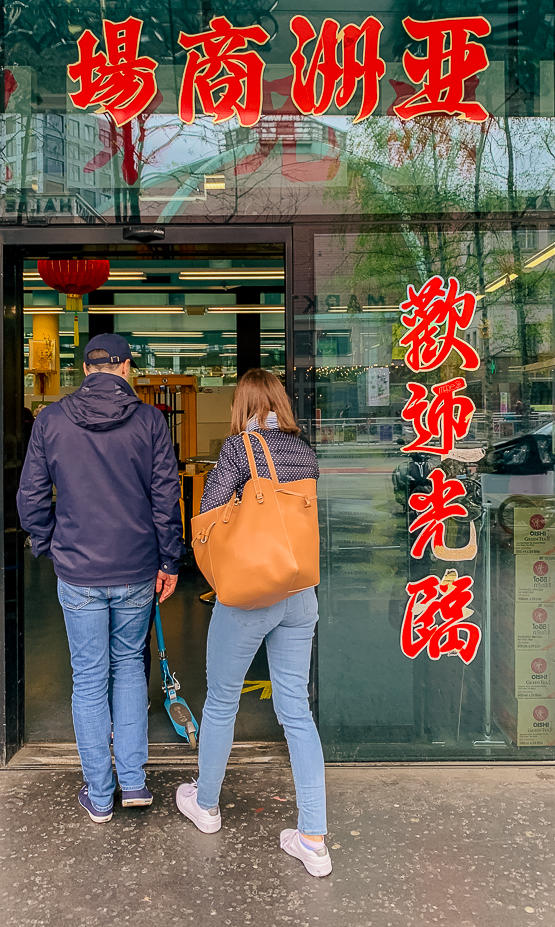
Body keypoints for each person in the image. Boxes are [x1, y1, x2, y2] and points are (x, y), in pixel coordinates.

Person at [17, 333, 183, 823]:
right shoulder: (151, 421)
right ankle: (133, 783)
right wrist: (169, 560)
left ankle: (99, 793)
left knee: (89, 678)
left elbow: (30, 498)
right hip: (135, 569)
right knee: (129, 668)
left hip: (78, 570)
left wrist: (49, 545)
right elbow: (165, 499)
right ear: (126, 369)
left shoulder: (50, 420)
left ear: (86, 370)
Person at [175, 368, 331, 877]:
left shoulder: (242, 449)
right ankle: (312, 838)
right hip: (300, 592)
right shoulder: (302, 449)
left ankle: (207, 805)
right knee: (296, 712)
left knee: (221, 700)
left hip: (250, 596)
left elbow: (209, 509)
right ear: (279, 402)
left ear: (243, 404)